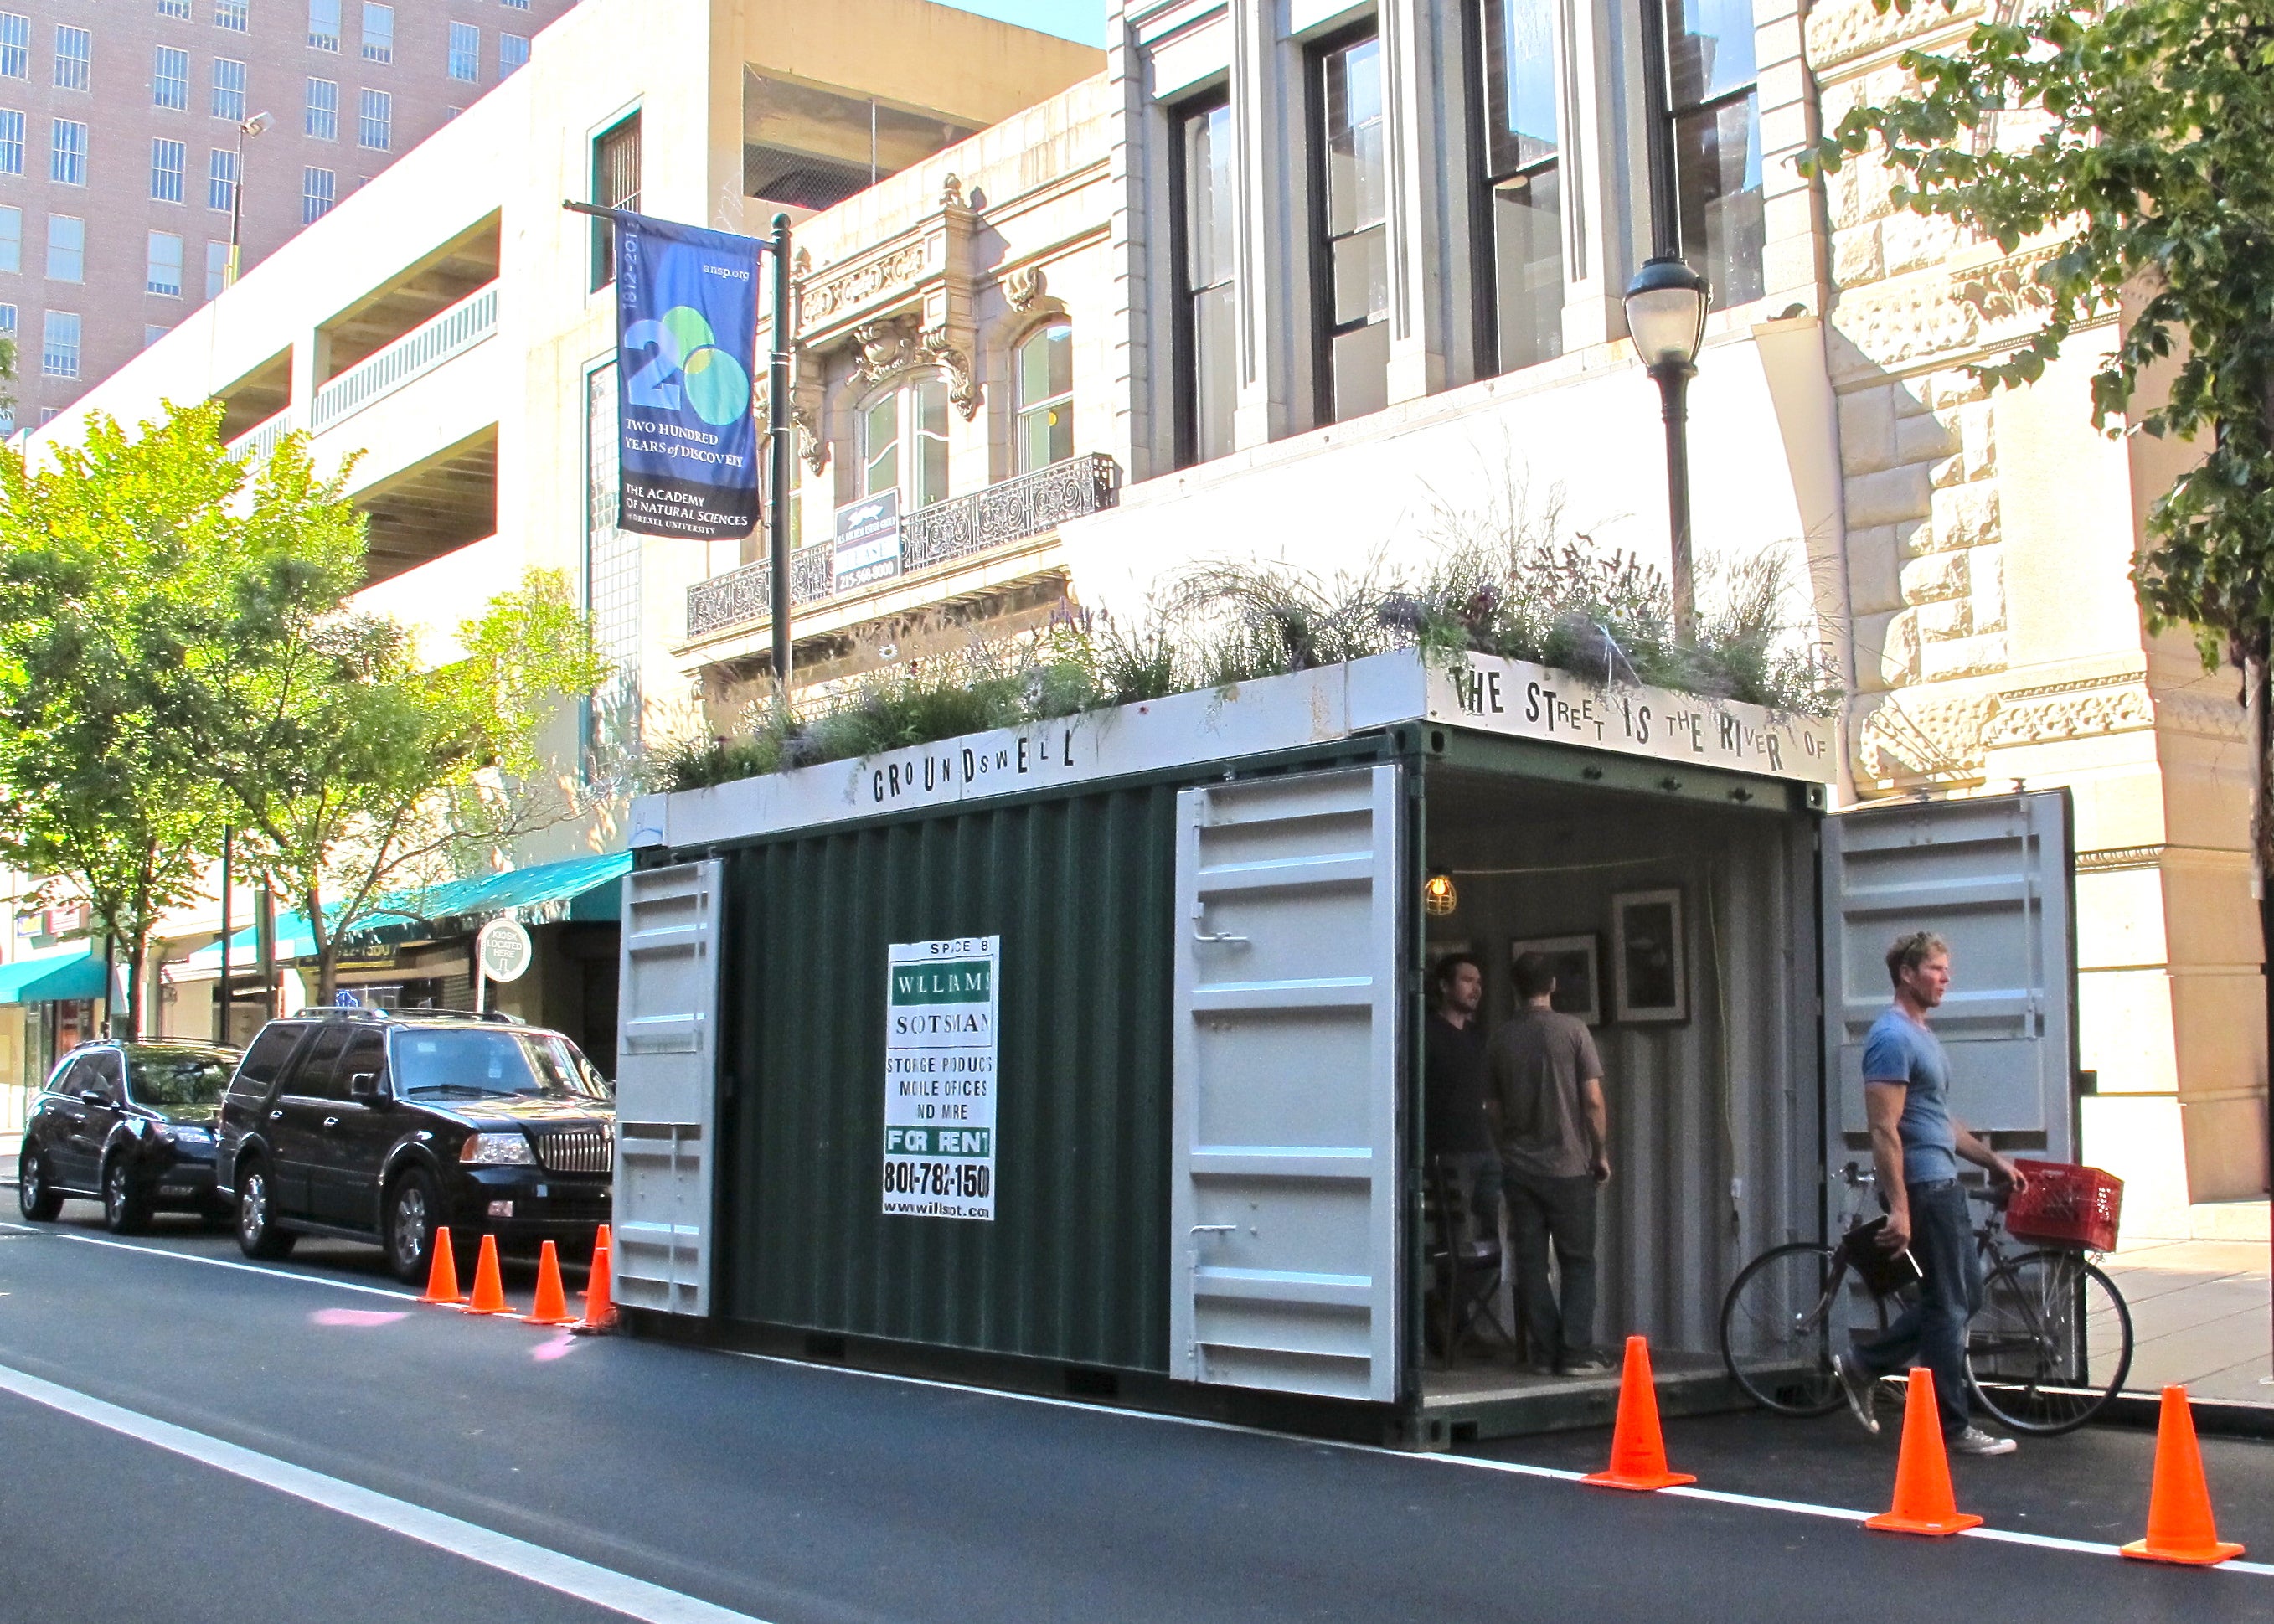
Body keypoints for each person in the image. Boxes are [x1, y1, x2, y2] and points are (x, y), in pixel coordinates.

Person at [1834, 931, 2030, 1457]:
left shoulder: (1923, 1036)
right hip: (1922, 1185)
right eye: (1937, 969)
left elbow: (1940, 1122)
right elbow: (1884, 1129)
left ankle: (1865, 1363)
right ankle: (1953, 1427)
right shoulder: (1891, 1037)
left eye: (1947, 968)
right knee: (1949, 1303)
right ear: (1907, 974)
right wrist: (1899, 1207)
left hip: (1941, 1180)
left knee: (1964, 1296)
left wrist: (1993, 1161)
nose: (1947, 977)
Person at [1490, 951, 1610, 1376]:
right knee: (1578, 1260)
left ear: (1514, 988)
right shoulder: (1573, 1031)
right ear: (1553, 985)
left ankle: (1544, 1351)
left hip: (1520, 1168)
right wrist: (1600, 1154)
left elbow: (1494, 1107)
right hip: (1568, 1166)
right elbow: (1592, 1101)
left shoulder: (1501, 1038)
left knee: (1531, 1262)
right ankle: (1575, 1351)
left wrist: (1507, 1146)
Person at [1424, 953, 1499, 1245]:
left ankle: (1486, 1292)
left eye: (1479, 982)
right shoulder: (1427, 1032)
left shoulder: (1477, 1037)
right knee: (1458, 1238)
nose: (1476, 989)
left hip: (1485, 1148)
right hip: (1449, 1151)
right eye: (1468, 980)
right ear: (1444, 985)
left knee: (1492, 1238)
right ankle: (1456, 1292)